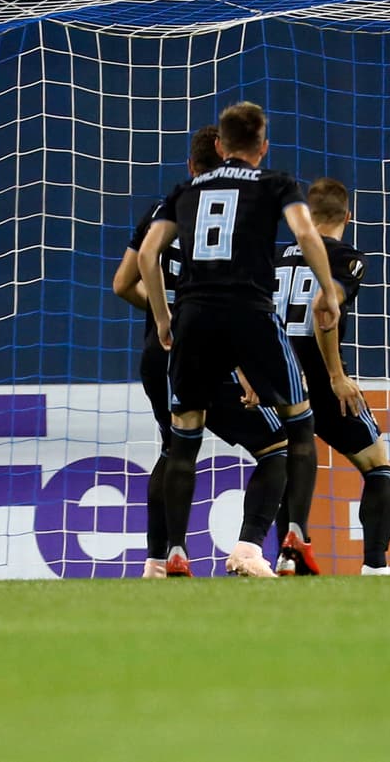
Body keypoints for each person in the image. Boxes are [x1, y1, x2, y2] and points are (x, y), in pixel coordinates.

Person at [137, 101, 340, 578]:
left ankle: (174, 552)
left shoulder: (184, 189)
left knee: (182, 441)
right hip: (250, 313)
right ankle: (293, 538)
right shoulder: (275, 183)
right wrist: (328, 289)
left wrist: (165, 318)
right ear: (262, 145)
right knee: (299, 424)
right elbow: (306, 233)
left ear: (220, 146)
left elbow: (148, 254)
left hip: (194, 318)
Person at [113, 125, 289, 579]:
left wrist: (166, 313)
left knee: (174, 447)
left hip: (161, 348)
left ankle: (163, 555)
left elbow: (121, 284)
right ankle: (249, 549)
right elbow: (240, 304)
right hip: (216, 346)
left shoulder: (163, 208)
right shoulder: (243, 209)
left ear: (191, 167)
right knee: (276, 446)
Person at [268, 177, 390, 576]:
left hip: (275, 378)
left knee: (291, 465)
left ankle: (290, 555)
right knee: (376, 466)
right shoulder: (345, 258)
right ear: (348, 215)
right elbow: (324, 307)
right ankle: (375, 566)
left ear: (306, 215)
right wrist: (337, 376)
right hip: (320, 380)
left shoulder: (275, 257)